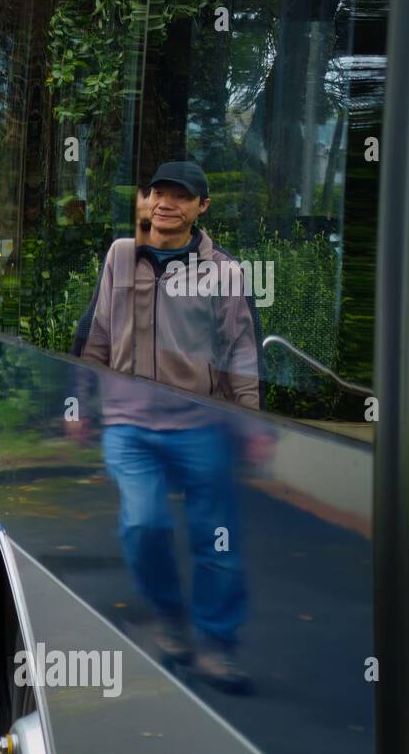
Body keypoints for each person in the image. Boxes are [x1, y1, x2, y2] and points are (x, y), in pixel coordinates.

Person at [71, 162, 270, 694]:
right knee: (143, 525)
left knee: (217, 542)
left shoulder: (224, 272)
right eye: (158, 193)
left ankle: (217, 646)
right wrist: (80, 402)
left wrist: (250, 422)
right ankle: (169, 617)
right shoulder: (119, 256)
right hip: (129, 423)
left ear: (201, 206)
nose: (166, 203)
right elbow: (95, 332)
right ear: (145, 200)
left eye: (181, 197)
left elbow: (242, 352)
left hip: (200, 425)